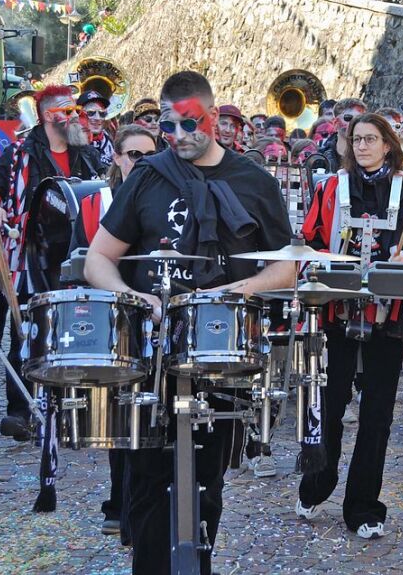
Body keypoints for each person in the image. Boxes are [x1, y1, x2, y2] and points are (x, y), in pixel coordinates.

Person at [84, 71, 295, 575]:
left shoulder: (254, 181)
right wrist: (134, 298)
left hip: (221, 350)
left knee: (206, 486)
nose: (177, 136)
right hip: (151, 352)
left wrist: (229, 291)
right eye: (168, 126)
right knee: (148, 484)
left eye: (189, 124)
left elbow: (286, 266)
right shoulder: (148, 176)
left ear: (214, 115)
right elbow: (98, 259)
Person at [295, 113, 403, 539]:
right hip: (336, 313)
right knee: (330, 404)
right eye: (356, 139)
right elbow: (309, 243)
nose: (362, 146)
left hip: (387, 315)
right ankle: (318, 482)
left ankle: (364, 507)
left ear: (388, 145)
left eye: (371, 139)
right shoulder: (331, 190)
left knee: (377, 414)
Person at [0, 84, 102, 439]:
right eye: (71, 111)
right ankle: (20, 411)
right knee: (27, 333)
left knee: (75, 333)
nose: (79, 117)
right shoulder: (20, 154)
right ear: (51, 117)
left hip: (78, 256)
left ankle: (71, 407)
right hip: (32, 256)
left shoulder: (88, 155)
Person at [92, 124, 157, 539]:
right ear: (117, 157)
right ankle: (119, 504)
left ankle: (141, 509)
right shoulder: (97, 198)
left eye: (147, 155)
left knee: (148, 413)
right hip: (109, 314)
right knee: (118, 415)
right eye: (132, 154)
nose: (139, 162)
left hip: (151, 315)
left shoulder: (162, 196)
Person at [319, 98, 367, 172]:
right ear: (336, 123)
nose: (354, 123)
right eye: (348, 118)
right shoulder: (320, 158)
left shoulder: (372, 156)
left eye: (360, 119)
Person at [78, 90, 115, 166]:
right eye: (90, 113)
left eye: (102, 114)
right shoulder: (70, 144)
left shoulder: (111, 142)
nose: (97, 118)